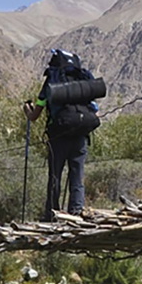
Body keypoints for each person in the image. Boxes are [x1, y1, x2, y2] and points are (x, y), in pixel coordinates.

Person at [23, 49, 101, 221]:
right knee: (77, 175)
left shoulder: (52, 82)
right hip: (80, 134)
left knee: (55, 176)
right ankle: (77, 211)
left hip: (58, 135)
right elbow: (95, 110)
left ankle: (51, 214)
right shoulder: (82, 82)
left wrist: (27, 111)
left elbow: (35, 114)